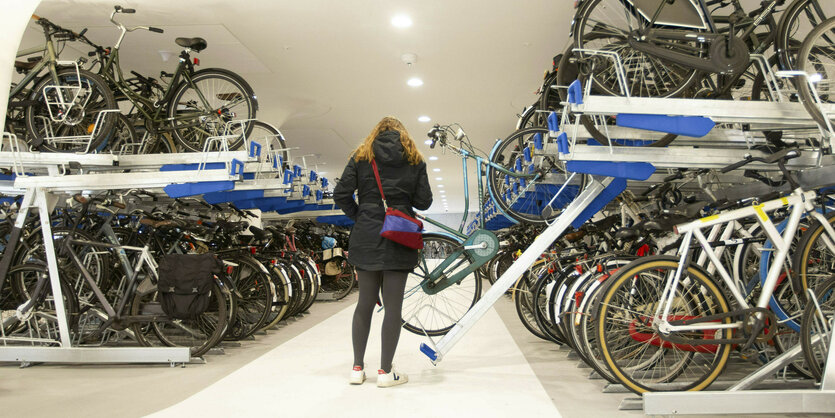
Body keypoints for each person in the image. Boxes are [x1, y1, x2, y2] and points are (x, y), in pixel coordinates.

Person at [333, 116, 432, 388]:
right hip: (399, 235)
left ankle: (356, 368)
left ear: (375, 132)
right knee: (393, 307)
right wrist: (402, 199)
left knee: (364, 302)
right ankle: (385, 372)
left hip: (366, 234)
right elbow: (425, 200)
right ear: (403, 133)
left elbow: (341, 194)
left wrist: (361, 214)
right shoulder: (414, 158)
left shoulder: (361, 155)